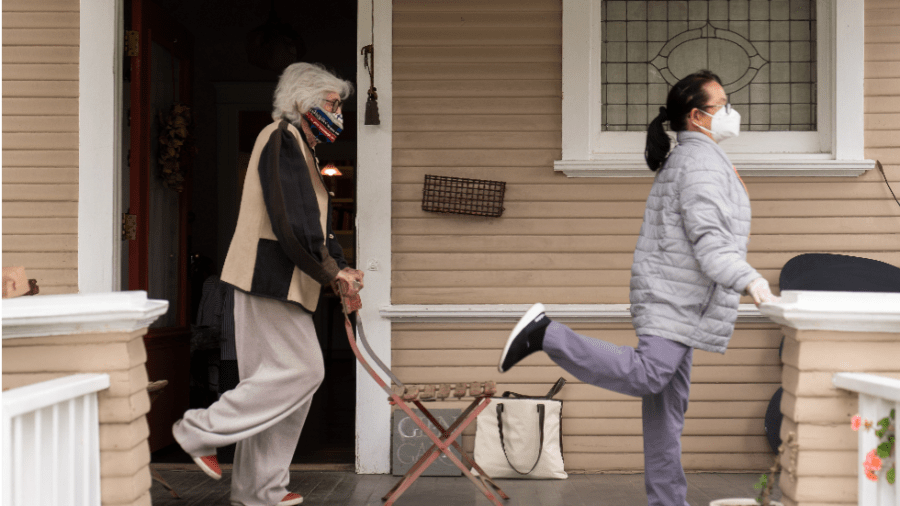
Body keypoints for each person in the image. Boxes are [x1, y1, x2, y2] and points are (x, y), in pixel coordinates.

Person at [498, 70, 779, 506]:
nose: (731, 112)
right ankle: (546, 333)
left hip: (682, 298)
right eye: (722, 104)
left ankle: (667, 501)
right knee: (649, 374)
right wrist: (751, 280)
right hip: (675, 298)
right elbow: (710, 243)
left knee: (666, 410)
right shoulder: (699, 163)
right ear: (698, 116)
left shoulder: (698, 157)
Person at [172, 62, 364, 506]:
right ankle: (198, 430)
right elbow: (291, 218)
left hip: (285, 281)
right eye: (333, 103)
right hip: (268, 279)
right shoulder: (281, 137)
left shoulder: (301, 147)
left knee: (279, 386)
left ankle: (259, 491)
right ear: (304, 100)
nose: (338, 113)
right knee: (303, 372)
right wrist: (331, 271)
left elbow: (316, 225)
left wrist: (338, 268)